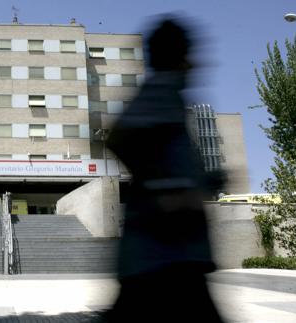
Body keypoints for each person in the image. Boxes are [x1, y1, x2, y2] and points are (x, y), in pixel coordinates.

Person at [104, 17, 225, 322]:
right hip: (163, 260)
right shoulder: (161, 89)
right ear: (180, 56)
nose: (194, 64)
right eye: (189, 54)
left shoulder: (171, 97)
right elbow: (120, 136)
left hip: (169, 259)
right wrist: (166, 193)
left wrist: (204, 182)